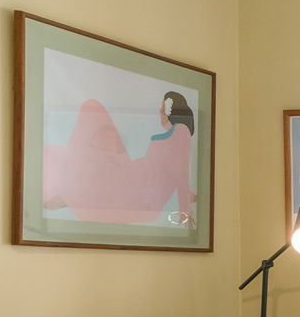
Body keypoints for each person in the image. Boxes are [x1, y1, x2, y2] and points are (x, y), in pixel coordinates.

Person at [42, 90, 197, 225]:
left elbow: (181, 172)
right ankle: (73, 195)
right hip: (138, 181)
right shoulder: (172, 133)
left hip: (144, 191)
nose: (160, 111)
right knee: (66, 156)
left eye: (163, 108)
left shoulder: (181, 131)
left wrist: (184, 208)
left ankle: (73, 196)